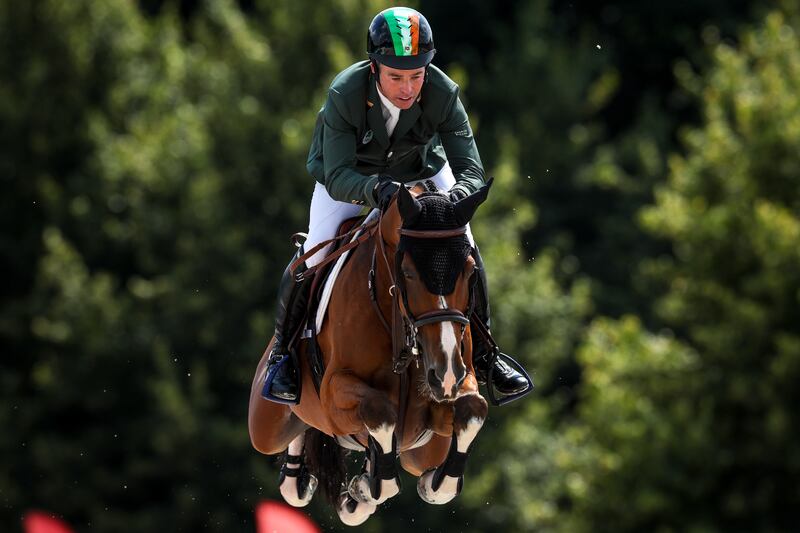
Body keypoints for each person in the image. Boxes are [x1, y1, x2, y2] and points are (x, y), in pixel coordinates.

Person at [262, 7, 531, 404]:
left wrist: (453, 200)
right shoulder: (345, 93)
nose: (407, 88)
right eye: (396, 77)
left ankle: (488, 356)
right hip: (352, 181)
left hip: (421, 175)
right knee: (312, 255)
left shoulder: (443, 92)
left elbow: (471, 170)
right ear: (374, 68)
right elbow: (337, 175)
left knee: (466, 249)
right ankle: (283, 356)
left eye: (415, 76)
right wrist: (378, 191)